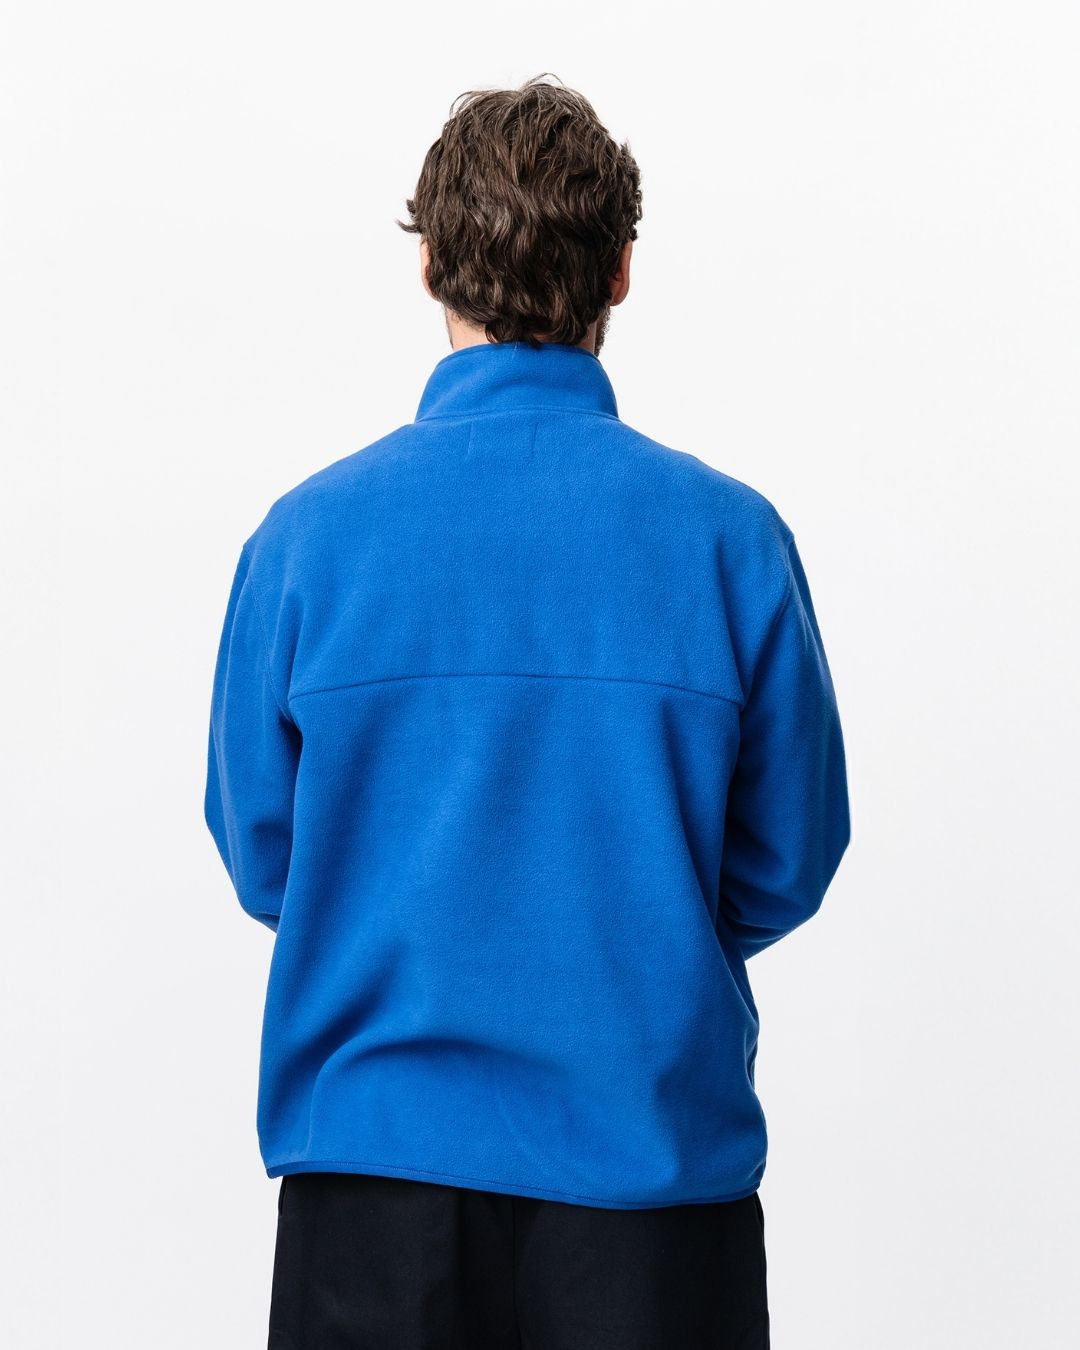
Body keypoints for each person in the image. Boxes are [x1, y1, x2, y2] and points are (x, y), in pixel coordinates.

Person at [204, 73, 851, 1350]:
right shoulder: (730, 541)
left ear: (429, 264)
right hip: (649, 1189)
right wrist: (640, 925)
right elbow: (789, 856)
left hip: (372, 1189)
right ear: (621, 272)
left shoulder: (306, 542)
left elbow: (267, 856)